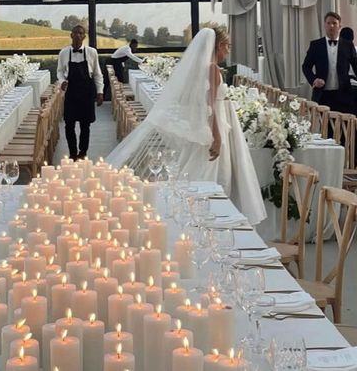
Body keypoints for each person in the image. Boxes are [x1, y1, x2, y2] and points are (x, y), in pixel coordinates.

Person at [106, 25, 266, 225]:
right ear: (219, 46)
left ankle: (200, 216)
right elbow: (211, 107)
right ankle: (210, 218)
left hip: (216, 125)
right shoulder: (213, 69)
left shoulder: (200, 69)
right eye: (227, 46)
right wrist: (216, 137)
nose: (228, 51)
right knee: (214, 176)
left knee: (200, 173)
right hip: (218, 127)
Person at [301, 11, 357, 115]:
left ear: (339, 26)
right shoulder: (316, 45)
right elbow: (306, 66)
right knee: (326, 127)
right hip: (323, 94)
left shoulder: (347, 45)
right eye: (328, 23)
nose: (331, 25)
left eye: (334, 23)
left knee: (344, 127)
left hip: (343, 94)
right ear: (324, 25)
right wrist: (313, 80)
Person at [57, 25, 104, 160]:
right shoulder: (64, 53)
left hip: (87, 91)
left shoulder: (92, 52)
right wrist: (62, 82)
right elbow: (60, 71)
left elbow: (97, 74)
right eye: (75, 33)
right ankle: (72, 153)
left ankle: (83, 152)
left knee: (85, 125)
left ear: (84, 37)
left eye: (81, 33)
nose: (78, 35)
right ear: (71, 35)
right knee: (69, 124)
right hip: (71, 91)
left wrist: (100, 92)